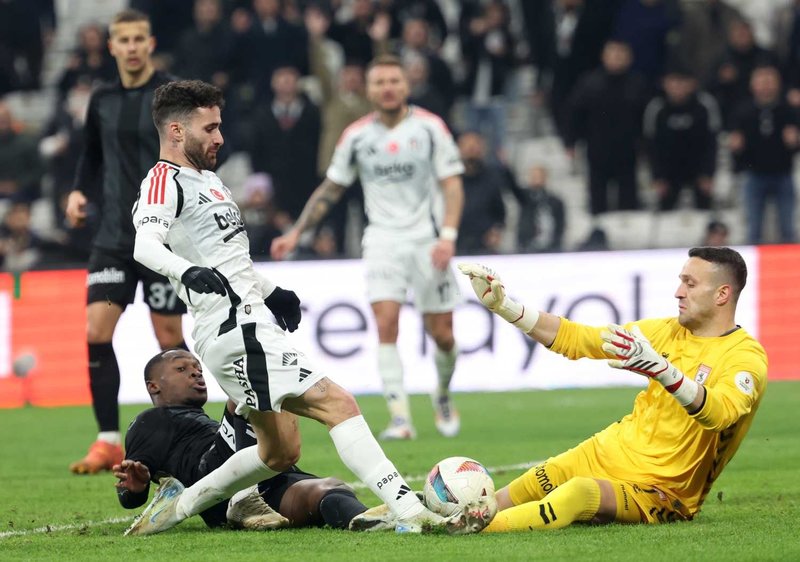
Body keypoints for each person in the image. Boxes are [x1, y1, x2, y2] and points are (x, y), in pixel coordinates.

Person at [125, 79, 490, 536]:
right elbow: (145, 245)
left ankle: (177, 506)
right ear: (176, 131)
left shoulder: (210, 182)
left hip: (245, 320)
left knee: (278, 453)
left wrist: (271, 290)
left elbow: (229, 262)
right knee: (338, 403)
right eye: (210, 128)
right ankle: (411, 513)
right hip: (236, 327)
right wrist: (186, 271)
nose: (220, 137)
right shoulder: (164, 180)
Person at [456, 246, 767, 531]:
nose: (678, 292)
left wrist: (663, 371)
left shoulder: (744, 357)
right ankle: (450, 517)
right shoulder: (665, 331)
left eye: (690, 284)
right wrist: (506, 307)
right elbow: (579, 338)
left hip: (661, 490)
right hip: (605, 451)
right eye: (680, 281)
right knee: (512, 493)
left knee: (578, 494)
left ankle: (466, 530)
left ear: (722, 294)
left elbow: (720, 414)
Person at [271, 54, 466, 441]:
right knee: (386, 324)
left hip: (427, 240)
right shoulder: (357, 135)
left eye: (394, 81)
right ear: (369, 89)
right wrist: (297, 232)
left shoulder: (430, 128)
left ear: (405, 85)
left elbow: (452, 184)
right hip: (382, 240)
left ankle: (442, 394)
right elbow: (331, 188)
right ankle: (400, 417)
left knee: (443, 334)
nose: (387, 88)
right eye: (379, 82)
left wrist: (447, 236)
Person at [64, 9, 188, 475]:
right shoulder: (102, 98)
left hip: (163, 237)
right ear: (112, 46)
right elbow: (91, 155)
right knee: (96, 332)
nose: (132, 47)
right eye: (124, 40)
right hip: (114, 238)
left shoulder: (172, 95)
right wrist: (78, 191)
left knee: (169, 339)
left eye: (139, 39)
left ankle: (184, 436)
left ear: (150, 43)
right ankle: (107, 441)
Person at [114, 348, 370, 531]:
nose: (196, 374)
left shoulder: (205, 422)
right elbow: (130, 497)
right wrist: (135, 488)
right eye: (182, 369)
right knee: (243, 385)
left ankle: (368, 521)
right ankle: (244, 497)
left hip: (263, 478)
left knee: (326, 489)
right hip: (216, 482)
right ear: (153, 386)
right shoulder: (150, 421)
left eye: (198, 369)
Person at [729, 63, 799, 245]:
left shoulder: (789, 110)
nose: (766, 86)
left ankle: (790, 262)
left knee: (787, 228)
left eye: (770, 80)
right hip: (754, 174)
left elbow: (795, 145)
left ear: (778, 83)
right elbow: (735, 147)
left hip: (783, 174)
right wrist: (736, 148)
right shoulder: (743, 111)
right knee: (753, 229)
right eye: (761, 81)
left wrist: (795, 141)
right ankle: (751, 262)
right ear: (753, 84)